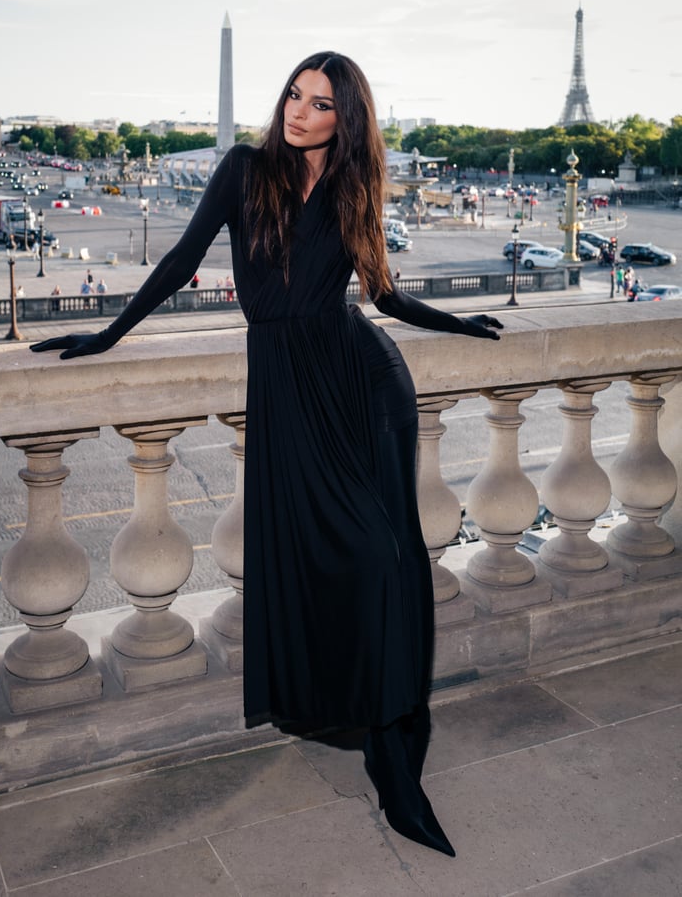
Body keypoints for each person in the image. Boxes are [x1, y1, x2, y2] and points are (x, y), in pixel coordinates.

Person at [31, 51, 502, 856]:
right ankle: (344, 709)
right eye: (294, 94)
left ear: (345, 120)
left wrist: (459, 323)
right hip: (286, 386)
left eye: (320, 103)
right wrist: (107, 332)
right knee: (332, 560)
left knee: (390, 559)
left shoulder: (356, 190)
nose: (299, 110)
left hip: (362, 381)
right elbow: (181, 260)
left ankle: (396, 760)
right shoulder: (247, 169)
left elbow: (381, 294)